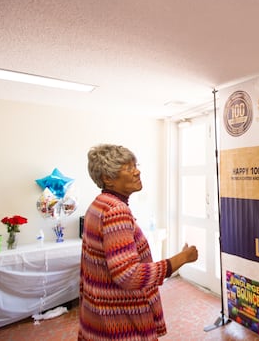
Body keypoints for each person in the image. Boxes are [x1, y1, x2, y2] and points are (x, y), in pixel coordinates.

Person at [78, 144, 199, 340]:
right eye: (128, 168)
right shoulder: (116, 211)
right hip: (120, 323)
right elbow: (128, 275)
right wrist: (182, 258)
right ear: (108, 178)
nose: (137, 171)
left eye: (136, 165)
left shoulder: (97, 205)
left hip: (99, 316)